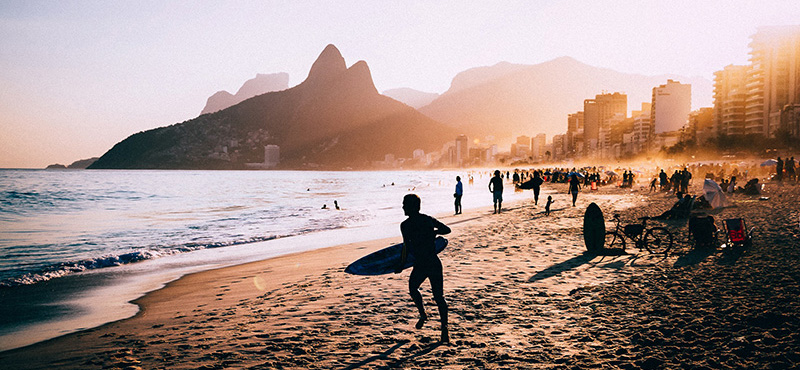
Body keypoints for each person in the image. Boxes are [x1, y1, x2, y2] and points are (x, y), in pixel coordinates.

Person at [395, 194, 452, 343]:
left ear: (412, 206)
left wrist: (401, 265)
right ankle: (443, 328)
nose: (402, 207)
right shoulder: (428, 219)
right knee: (438, 297)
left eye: (404, 204)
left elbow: (406, 248)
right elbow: (446, 230)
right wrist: (434, 232)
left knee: (414, 289)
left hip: (421, 264)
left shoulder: (405, 225)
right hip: (432, 261)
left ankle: (424, 315)